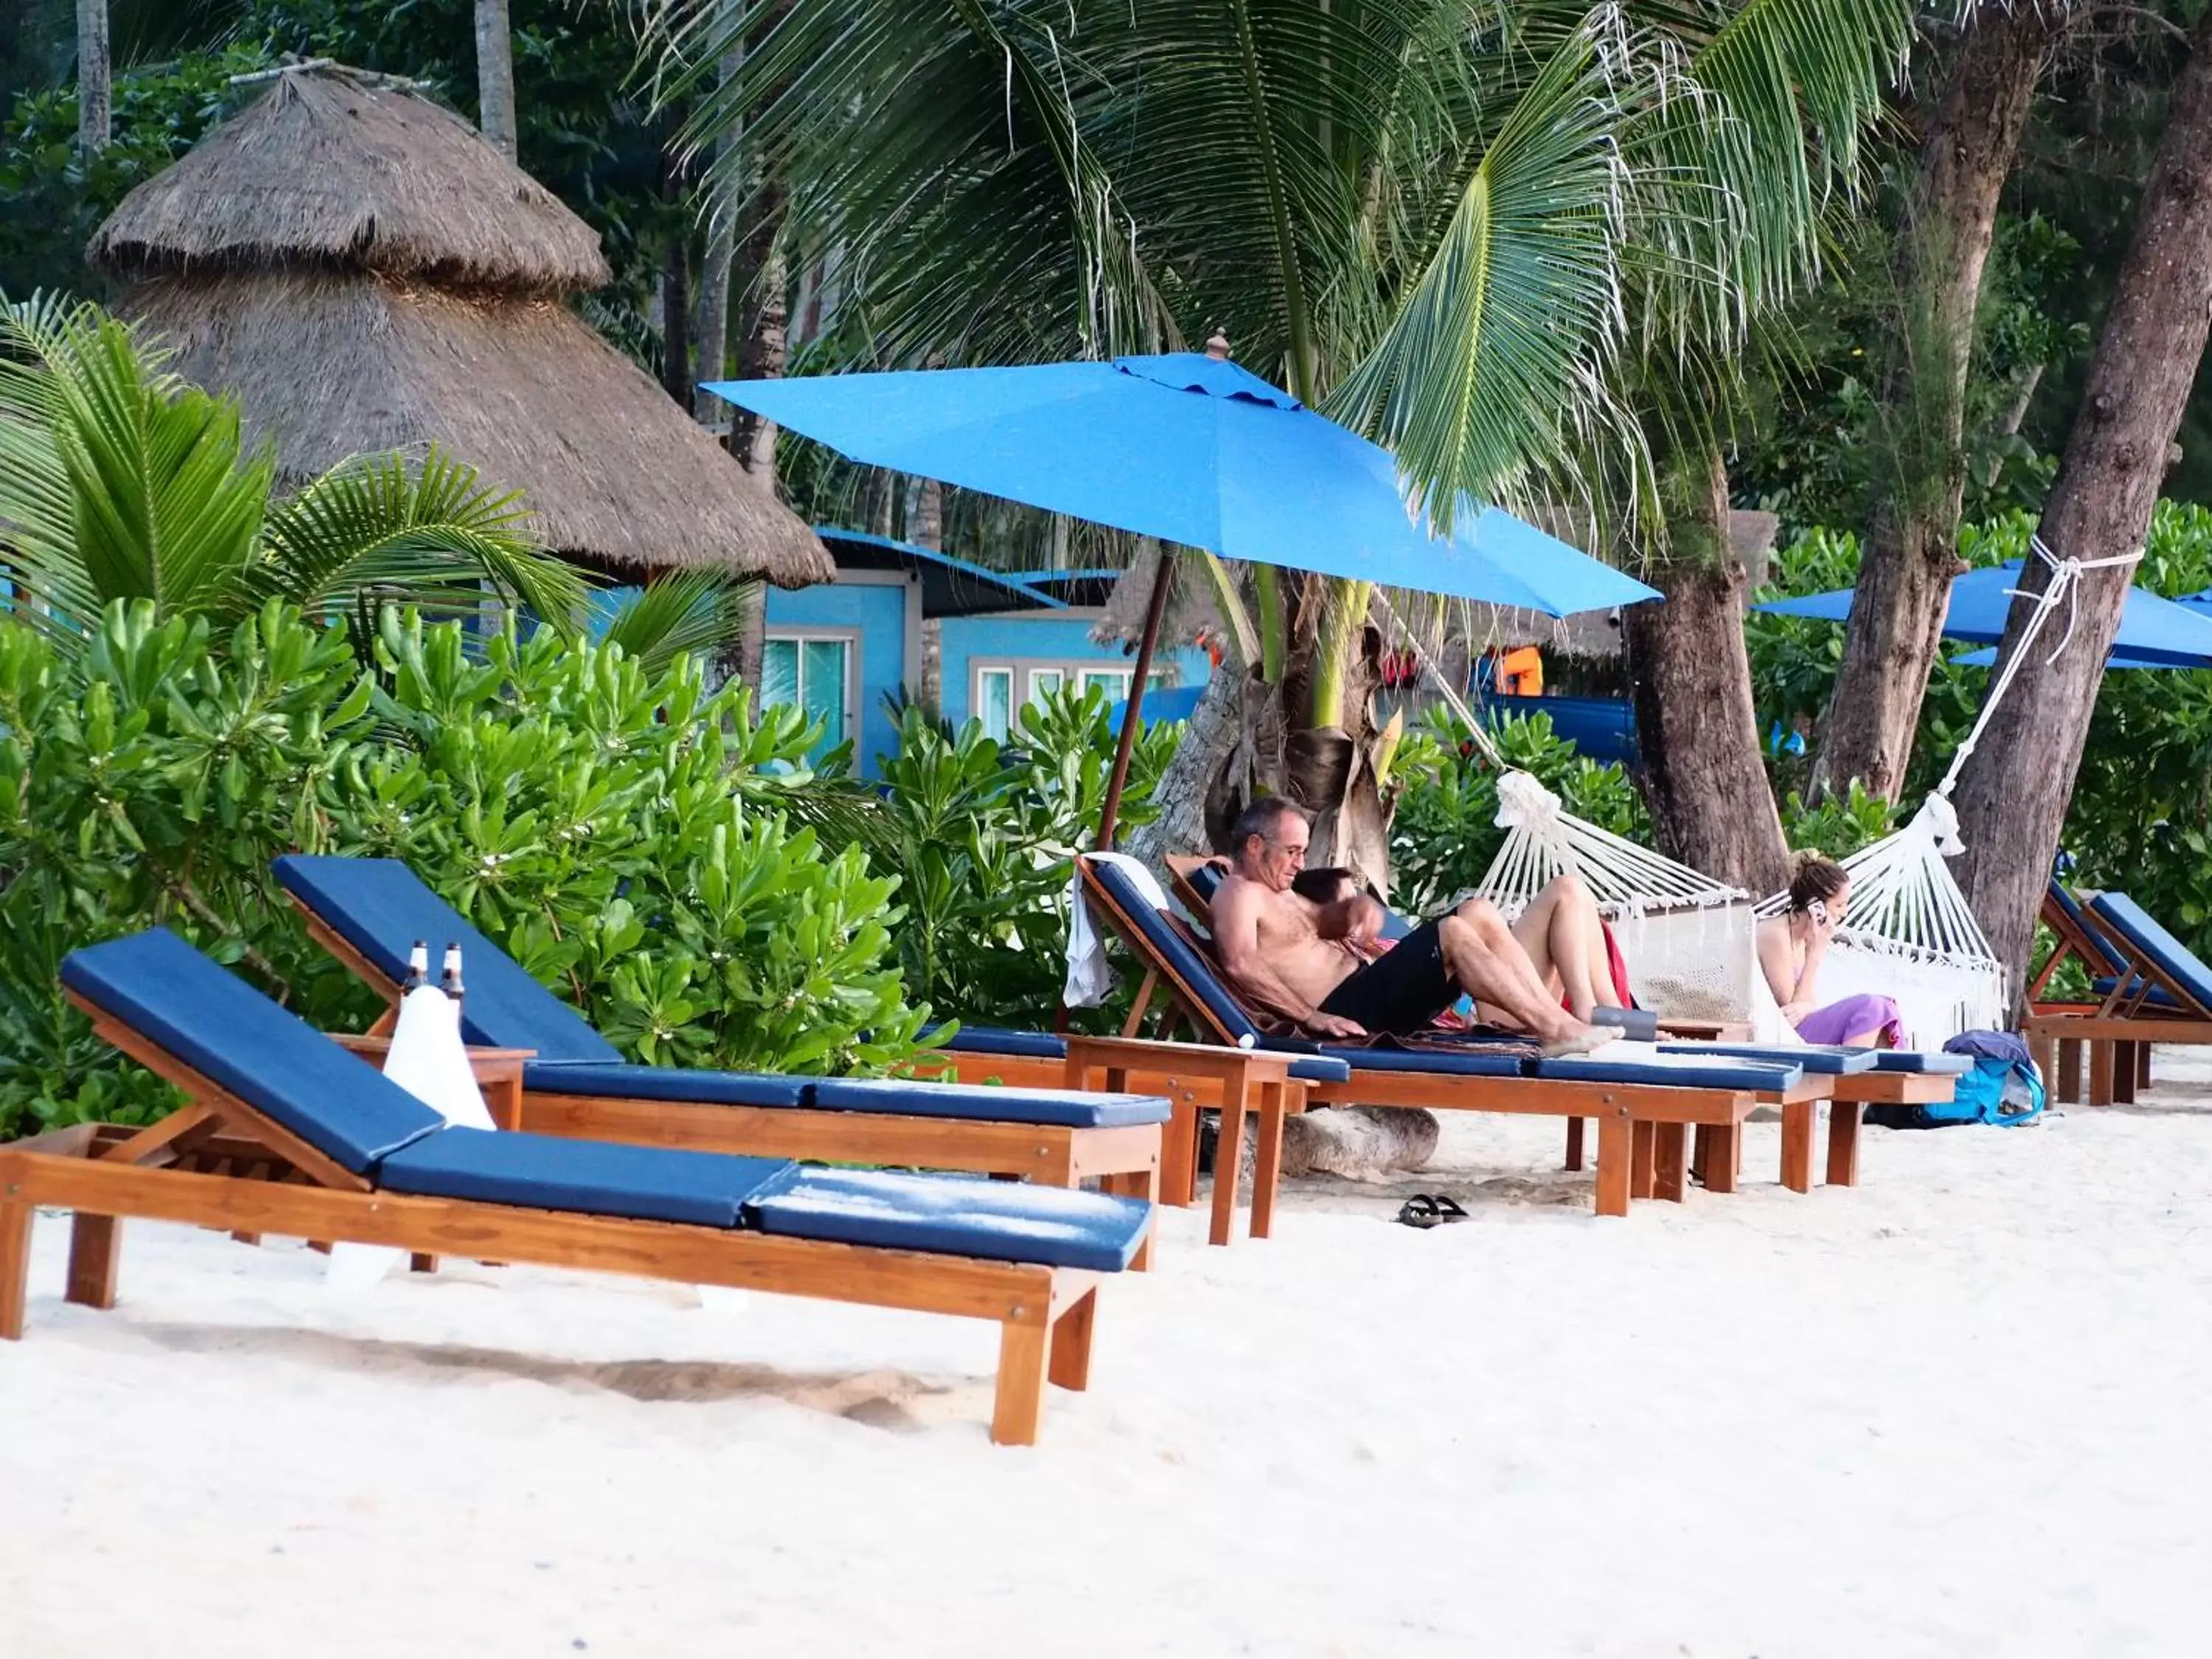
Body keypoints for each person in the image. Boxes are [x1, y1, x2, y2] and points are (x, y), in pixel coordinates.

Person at [1208, 798, 1621, 1051]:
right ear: (1255, 845)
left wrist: (1357, 909)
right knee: (1451, 934)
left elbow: (1322, 922)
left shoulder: (1282, 893)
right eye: (1293, 852)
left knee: (1475, 909)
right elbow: (1240, 963)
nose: (1301, 862)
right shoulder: (1237, 892)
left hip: (1367, 991)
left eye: (1302, 852)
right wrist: (1309, 1017)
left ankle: (1555, 1021)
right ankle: (1553, 1027)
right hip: (1345, 1010)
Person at [1293, 863, 1630, 1026]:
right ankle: (1587, 1014)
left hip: (1515, 996)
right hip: (1490, 1011)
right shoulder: (1354, 966)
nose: (1357, 910)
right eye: (1346, 904)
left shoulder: (1378, 942)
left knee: (1572, 890)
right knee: (1561, 891)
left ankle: (1615, 1014)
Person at [1756, 851, 1904, 1048]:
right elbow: (1792, 1017)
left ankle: (1872, 1078)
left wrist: (1806, 1006)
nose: (1845, 913)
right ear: (1814, 905)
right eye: (1839, 905)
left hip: (1797, 1034)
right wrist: (1816, 953)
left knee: (1887, 1006)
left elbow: (1806, 1007)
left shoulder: (1805, 939)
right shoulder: (1776, 934)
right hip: (1778, 1036)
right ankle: (1849, 1077)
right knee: (1873, 1007)